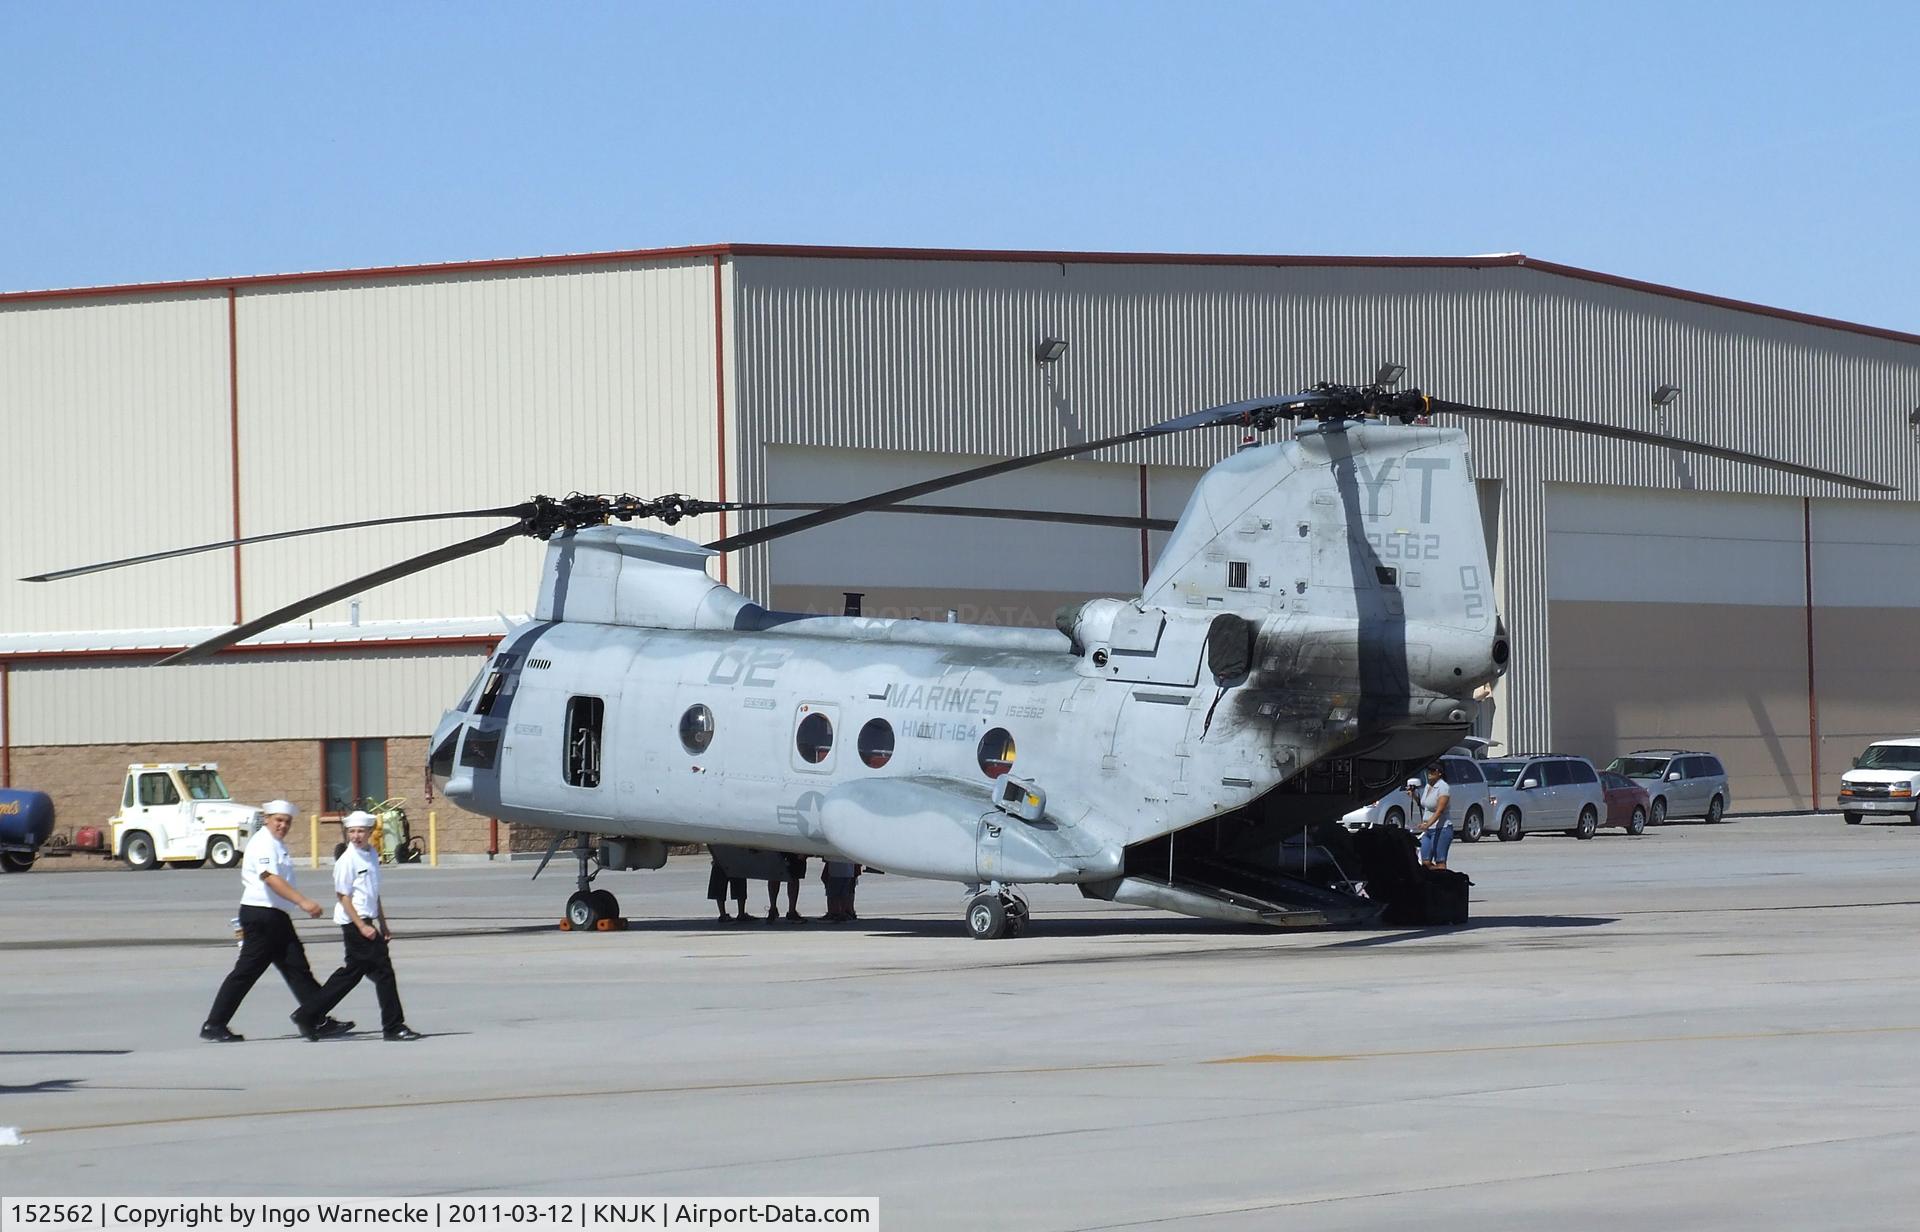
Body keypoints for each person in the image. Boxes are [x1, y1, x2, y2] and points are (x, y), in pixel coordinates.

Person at [201, 800, 352, 1043]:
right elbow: (270, 878)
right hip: (261, 915)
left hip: (275, 915)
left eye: (287, 821)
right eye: (278, 820)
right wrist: (303, 902)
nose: (282, 825)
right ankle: (214, 1024)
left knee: (297, 968)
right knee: (247, 972)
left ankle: (317, 1018)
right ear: (267, 818)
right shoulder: (262, 843)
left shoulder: (275, 844)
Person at [296, 811, 421, 1042]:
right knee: (383, 973)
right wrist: (361, 926)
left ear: (370, 833)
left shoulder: (371, 854)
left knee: (351, 975)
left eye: (360, 831)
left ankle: (307, 1014)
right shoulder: (347, 860)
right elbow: (343, 896)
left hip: (368, 921)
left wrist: (383, 923)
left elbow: (374, 893)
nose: (356, 836)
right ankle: (393, 1027)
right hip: (355, 923)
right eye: (352, 832)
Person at [1415, 763, 1454, 870]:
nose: (1429, 773)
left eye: (1433, 770)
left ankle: (1443, 880)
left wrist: (1427, 824)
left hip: (1442, 829)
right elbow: (1426, 806)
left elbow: (1439, 810)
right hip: (1428, 830)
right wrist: (1414, 796)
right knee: (1425, 862)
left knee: (1440, 862)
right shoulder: (1428, 786)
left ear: (1439, 773)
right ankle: (1433, 879)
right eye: (1428, 770)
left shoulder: (1443, 787)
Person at [707, 850, 747, 924]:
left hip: (721, 857)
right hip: (733, 857)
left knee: (720, 886)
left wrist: (715, 856)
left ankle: (724, 914)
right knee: (738, 884)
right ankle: (740, 913)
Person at [821, 858, 860, 922]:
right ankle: (843, 912)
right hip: (847, 870)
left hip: (836, 870)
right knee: (845, 892)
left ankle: (835, 912)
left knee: (834, 893)